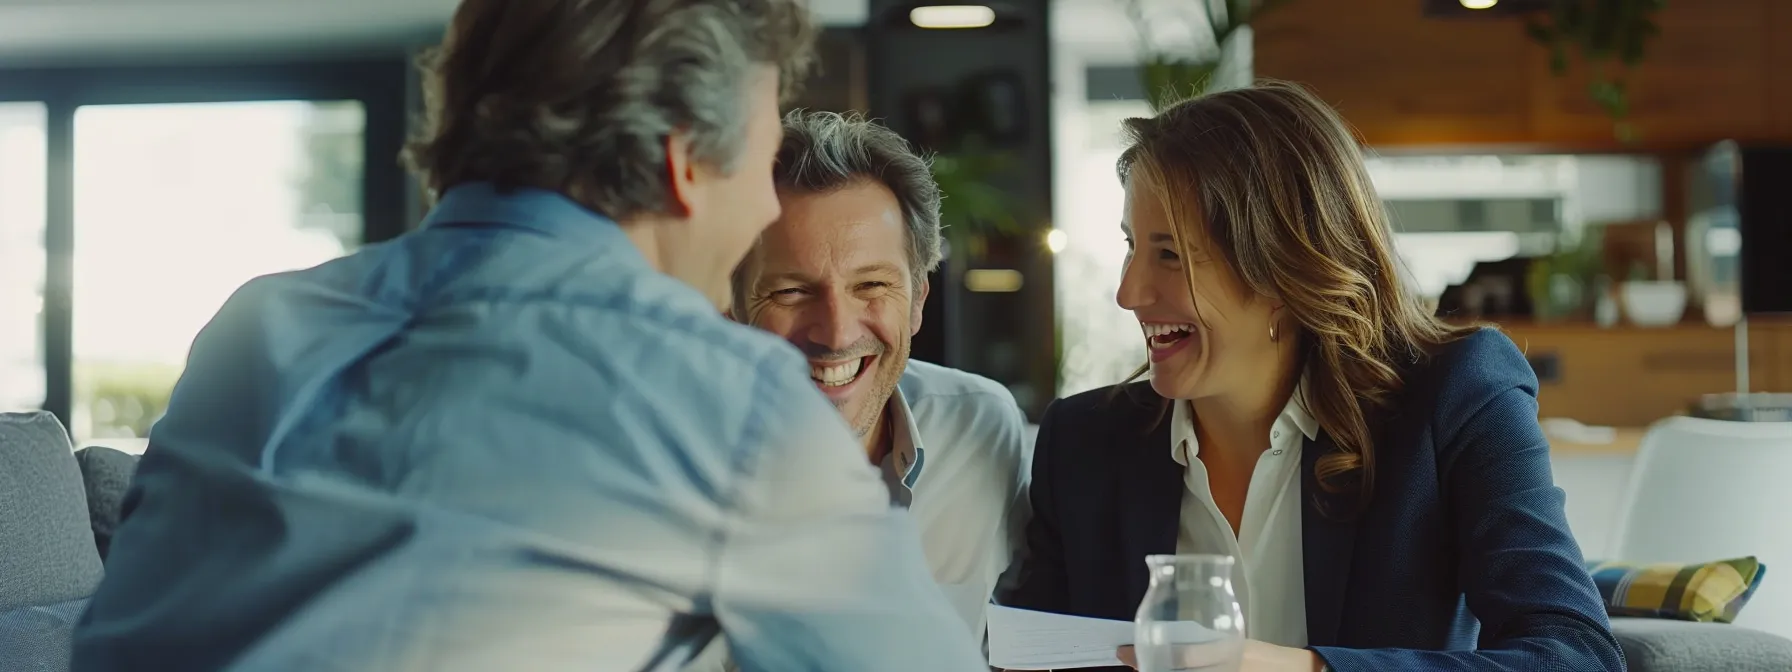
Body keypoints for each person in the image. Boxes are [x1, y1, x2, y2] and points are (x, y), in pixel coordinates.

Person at [71, 1, 988, 670]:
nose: (759, 210)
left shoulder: (256, 325)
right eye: (757, 161)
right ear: (682, 162)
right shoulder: (727, 395)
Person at [996, 81, 1623, 672]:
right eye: (1132, 246)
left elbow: (1575, 655)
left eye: (1171, 255)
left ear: (1284, 269)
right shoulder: (1084, 443)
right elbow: (1021, 650)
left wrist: (1306, 669)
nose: (1129, 292)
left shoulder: (1456, 397)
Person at [690, 110, 1030, 670]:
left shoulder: (980, 428)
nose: (838, 332)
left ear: (919, 299)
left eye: (871, 285)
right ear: (732, 306)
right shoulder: (664, 461)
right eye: (793, 291)